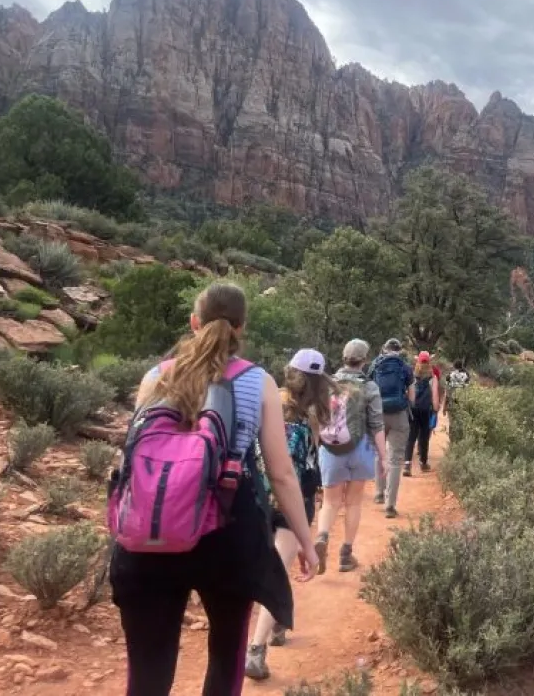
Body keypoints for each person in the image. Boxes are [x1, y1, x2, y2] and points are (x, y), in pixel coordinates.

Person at [109, 283, 318, 696]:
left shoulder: (155, 377)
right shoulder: (258, 382)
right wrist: (307, 543)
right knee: (226, 659)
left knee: (148, 672)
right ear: (241, 327)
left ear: (194, 322)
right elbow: (281, 474)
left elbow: (133, 460)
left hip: (151, 531)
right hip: (227, 532)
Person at [244, 348, 331, 681]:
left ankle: (278, 625)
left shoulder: (265, 399)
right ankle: (256, 648)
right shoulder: (313, 414)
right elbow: (310, 460)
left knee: (263, 567)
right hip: (294, 500)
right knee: (278, 570)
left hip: (255, 495)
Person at [316, 338, 387, 571]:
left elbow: (315, 419)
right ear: (364, 361)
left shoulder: (327, 384)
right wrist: (384, 457)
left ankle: (322, 537)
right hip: (360, 448)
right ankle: (346, 555)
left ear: (343, 358)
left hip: (330, 449)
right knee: (353, 502)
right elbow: (376, 425)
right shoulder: (369, 387)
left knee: (330, 501)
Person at [367, 338, 413, 518]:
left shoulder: (375, 364)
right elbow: (412, 394)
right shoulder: (404, 366)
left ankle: (379, 492)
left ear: (384, 349)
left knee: (379, 453)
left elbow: (368, 387)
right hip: (399, 414)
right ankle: (390, 505)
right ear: (399, 350)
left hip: (378, 413)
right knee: (395, 460)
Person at [404, 351, 440, 476]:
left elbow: (407, 393)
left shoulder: (412, 375)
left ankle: (407, 464)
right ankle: (423, 463)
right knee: (424, 436)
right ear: (429, 362)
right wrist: (436, 409)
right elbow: (435, 395)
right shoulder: (432, 376)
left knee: (411, 436)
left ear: (418, 361)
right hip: (426, 410)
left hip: (413, 409)